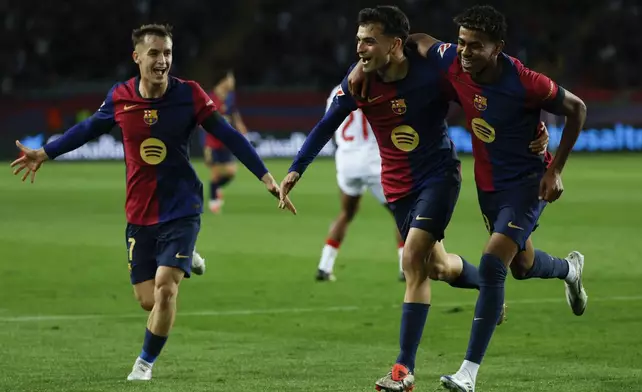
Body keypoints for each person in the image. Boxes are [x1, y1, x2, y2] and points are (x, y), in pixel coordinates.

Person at [10, 23, 295, 382]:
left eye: (168, 54)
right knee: (147, 299)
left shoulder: (189, 94)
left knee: (165, 288)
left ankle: (143, 364)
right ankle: (185, 256)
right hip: (140, 212)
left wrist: (266, 177)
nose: (163, 61)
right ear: (137, 57)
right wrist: (45, 153)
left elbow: (228, 135)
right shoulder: (120, 97)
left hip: (182, 207)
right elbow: (85, 131)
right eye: (155, 53)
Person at [348, 6, 588, 391]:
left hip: (527, 182)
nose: (465, 51)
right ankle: (568, 269)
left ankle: (467, 374)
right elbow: (413, 41)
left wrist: (554, 168)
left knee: (493, 262)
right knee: (522, 266)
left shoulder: (526, 82)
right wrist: (360, 67)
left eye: (476, 46)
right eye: (461, 42)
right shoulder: (452, 62)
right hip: (489, 187)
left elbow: (577, 108)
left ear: (498, 48)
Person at [316, 83, 405, 282]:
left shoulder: (335, 92)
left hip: (347, 160)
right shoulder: (378, 88)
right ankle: (404, 267)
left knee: (346, 212)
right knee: (402, 213)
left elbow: (329, 125)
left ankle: (324, 265)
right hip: (374, 160)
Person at [203, 69, 249, 213]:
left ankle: (217, 189)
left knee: (230, 172)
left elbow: (233, 111)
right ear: (224, 81)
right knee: (216, 173)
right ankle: (213, 202)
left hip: (225, 141)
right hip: (212, 142)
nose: (233, 82)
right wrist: (206, 146)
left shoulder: (230, 97)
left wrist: (239, 124)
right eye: (231, 79)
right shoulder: (210, 98)